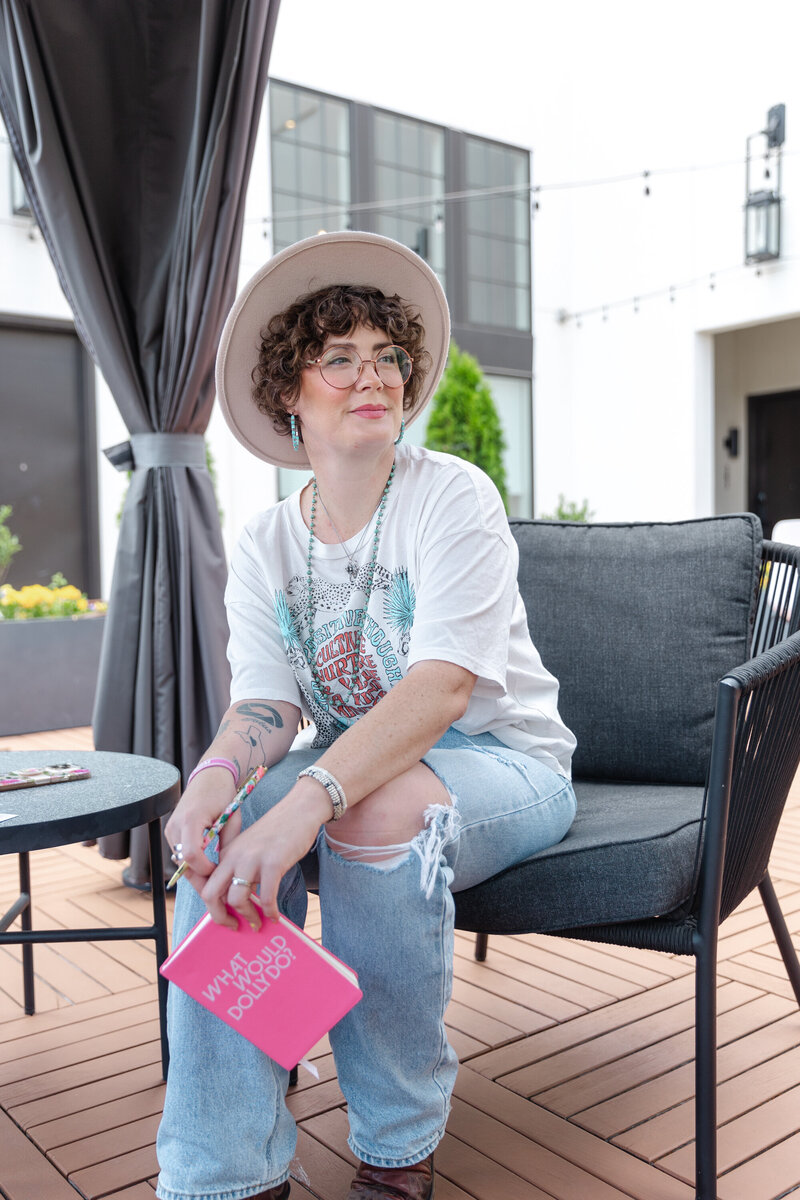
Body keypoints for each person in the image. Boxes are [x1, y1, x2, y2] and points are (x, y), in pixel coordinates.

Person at [156, 231, 577, 1200]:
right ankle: (227, 1168)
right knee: (221, 834)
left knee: (364, 811)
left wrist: (305, 796)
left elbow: (440, 691)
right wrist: (215, 783)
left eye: (385, 356)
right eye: (337, 359)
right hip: (355, 766)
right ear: (287, 395)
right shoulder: (263, 542)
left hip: (501, 763)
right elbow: (265, 704)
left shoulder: (450, 498)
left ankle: (395, 1152)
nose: (371, 375)